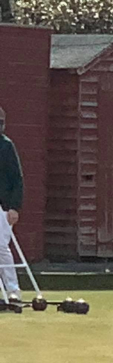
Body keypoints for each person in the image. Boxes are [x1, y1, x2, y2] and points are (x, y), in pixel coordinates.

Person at [0, 104, 24, 303]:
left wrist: (14, 207)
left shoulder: (6, 146)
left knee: (1, 247)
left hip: (2, 206)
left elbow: (17, 178)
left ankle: (12, 289)